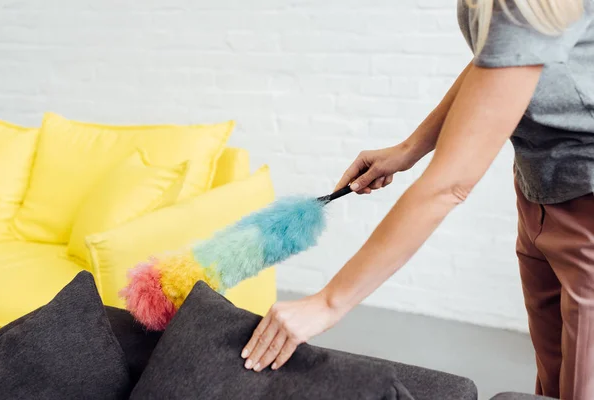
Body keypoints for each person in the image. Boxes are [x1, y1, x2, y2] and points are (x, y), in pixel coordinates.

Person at [242, 1, 594, 398]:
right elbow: (496, 62)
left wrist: (328, 303)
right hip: (539, 194)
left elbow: (449, 185)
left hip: (586, 210)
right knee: (552, 379)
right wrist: (410, 148)